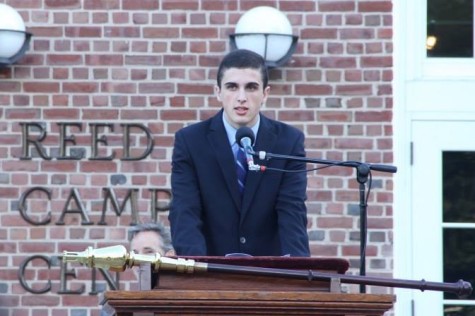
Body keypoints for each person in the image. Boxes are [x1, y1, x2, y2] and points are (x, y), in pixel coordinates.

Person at [168, 49, 310, 257]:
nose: (241, 97)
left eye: (251, 87)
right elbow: (185, 211)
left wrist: (299, 273)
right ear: (218, 92)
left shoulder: (288, 142)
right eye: (232, 87)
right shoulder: (190, 141)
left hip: (270, 273)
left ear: (265, 93)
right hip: (210, 270)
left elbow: (292, 213)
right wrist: (196, 271)